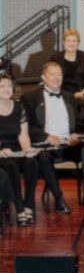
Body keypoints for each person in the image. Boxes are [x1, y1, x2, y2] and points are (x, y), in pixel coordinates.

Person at [21, 61, 81, 214]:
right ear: (43, 77)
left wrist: (75, 134)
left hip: (68, 144)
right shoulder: (30, 97)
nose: (56, 78)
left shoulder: (69, 97)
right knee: (43, 157)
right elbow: (28, 126)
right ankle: (59, 199)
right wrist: (46, 136)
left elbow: (78, 123)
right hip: (46, 145)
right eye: (52, 74)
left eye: (59, 74)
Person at [0, 73, 37, 226]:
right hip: (1, 152)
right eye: (2, 86)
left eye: (8, 85)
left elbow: (23, 135)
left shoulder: (19, 107)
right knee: (11, 167)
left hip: (16, 149)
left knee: (32, 162)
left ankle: (29, 205)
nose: (6, 89)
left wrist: (27, 149)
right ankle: (19, 208)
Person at [49, 29, 84, 101]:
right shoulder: (55, 58)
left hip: (83, 96)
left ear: (78, 42)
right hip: (61, 95)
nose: (71, 43)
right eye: (68, 40)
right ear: (63, 42)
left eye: (74, 41)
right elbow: (50, 78)